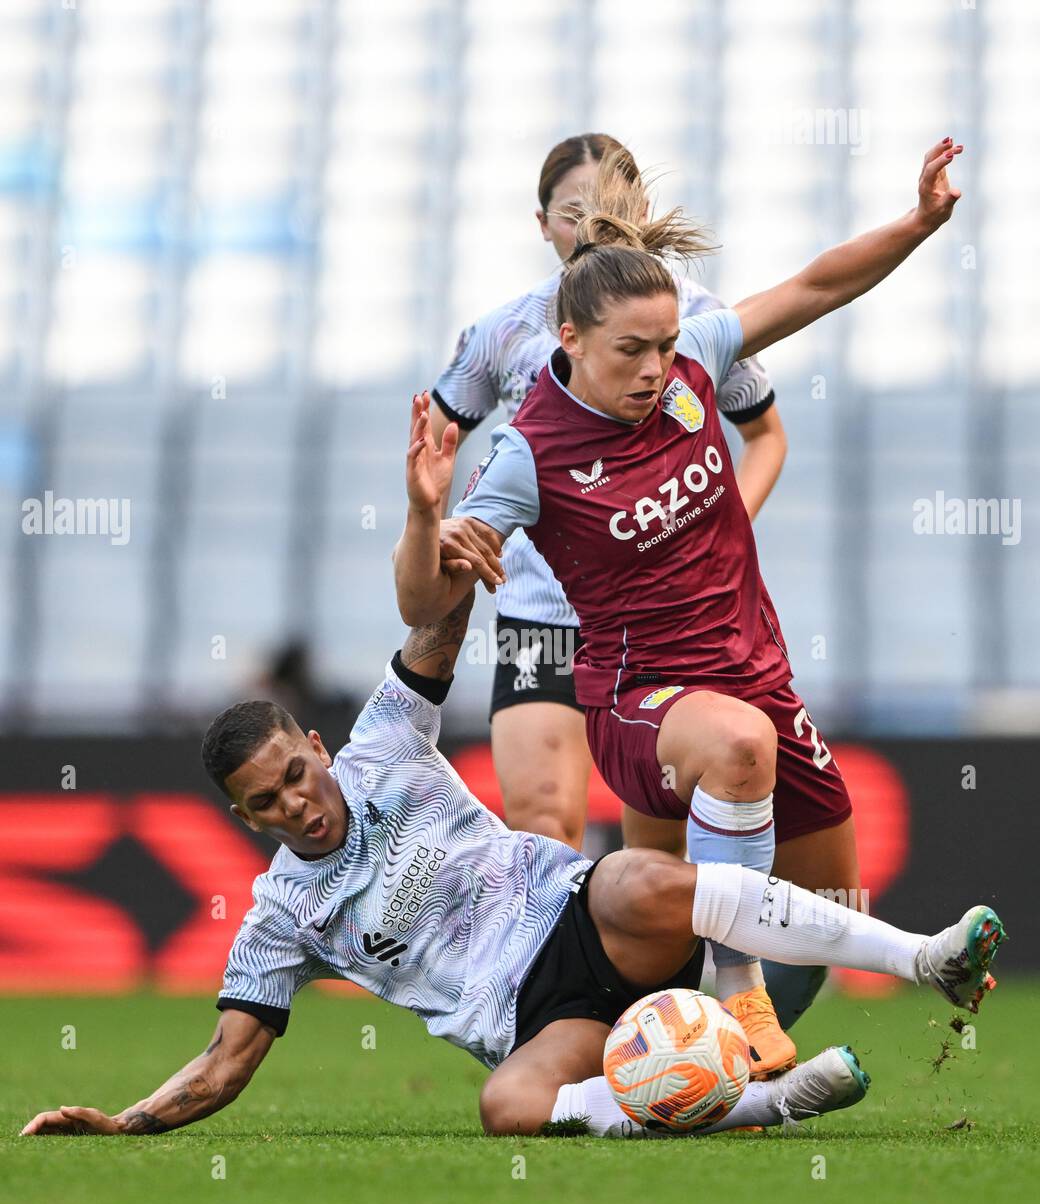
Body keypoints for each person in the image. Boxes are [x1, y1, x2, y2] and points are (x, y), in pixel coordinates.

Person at [20, 396, 1004, 1142]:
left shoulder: (381, 743)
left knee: (629, 874)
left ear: (314, 748)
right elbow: (225, 1061)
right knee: (508, 1106)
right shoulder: (281, 915)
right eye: (264, 800)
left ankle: (923, 956)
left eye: (291, 771)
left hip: (584, 918)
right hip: (537, 1016)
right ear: (247, 819)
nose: (293, 801)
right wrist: (122, 1123)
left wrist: (439, 515)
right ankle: (768, 1102)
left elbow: (437, 631)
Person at [397, 137, 968, 1075]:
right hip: (640, 696)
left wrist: (916, 222)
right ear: (569, 341)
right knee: (727, 766)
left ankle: (711, 1069)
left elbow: (816, 287)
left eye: (666, 345)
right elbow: (425, 603)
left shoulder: (693, 360)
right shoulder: (528, 456)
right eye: (633, 349)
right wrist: (426, 520)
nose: (657, 367)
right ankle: (706, 997)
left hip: (754, 671)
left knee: (823, 906)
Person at [431, 133, 786, 864]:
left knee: (669, 849)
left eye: (613, 207)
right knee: (542, 829)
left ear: (642, 210)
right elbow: (436, 445)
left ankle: (705, 975)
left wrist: (710, 533)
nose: (589, 223)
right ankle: (576, 980)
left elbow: (767, 436)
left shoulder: (693, 320)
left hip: (663, 621)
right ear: (542, 225)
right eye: (572, 210)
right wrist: (443, 531)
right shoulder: (503, 332)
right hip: (541, 615)